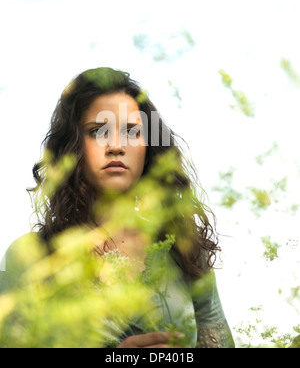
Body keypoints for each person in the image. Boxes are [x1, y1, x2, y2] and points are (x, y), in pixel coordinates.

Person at [0, 67, 235, 348]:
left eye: (132, 132)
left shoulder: (184, 251)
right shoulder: (31, 256)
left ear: (149, 147)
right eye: (98, 131)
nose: (116, 146)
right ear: (73, 146)